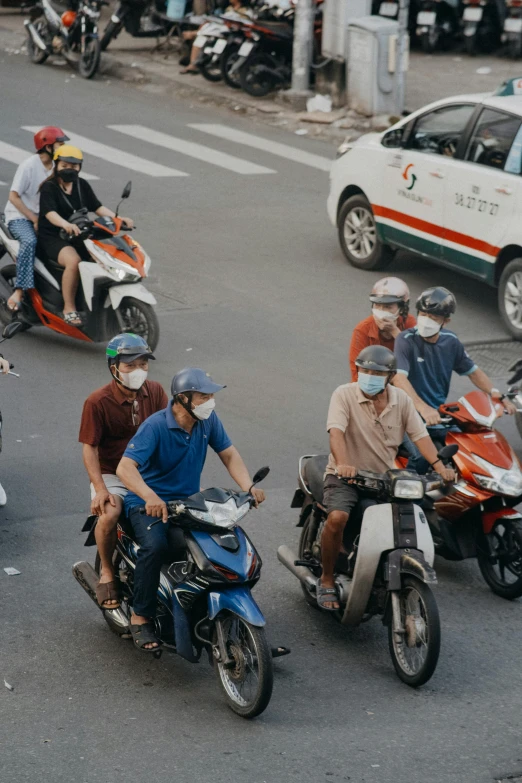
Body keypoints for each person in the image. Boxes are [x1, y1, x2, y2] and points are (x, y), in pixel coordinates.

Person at [117, 367, 265, 651]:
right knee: (156, 546)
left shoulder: (207, 421)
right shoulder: (156, 426)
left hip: (187, 505)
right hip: (147, 504)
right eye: (204, 395)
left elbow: (229, 454)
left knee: (222, 544)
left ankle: (217, 612)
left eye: (212, 395)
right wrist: (149, 496)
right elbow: (125, 467)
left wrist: (248, 487)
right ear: (183, 398)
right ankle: (140, 616)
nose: (211, 401)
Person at [318, 345, 455, 611]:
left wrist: (440, 466)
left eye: (375, 372)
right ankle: (326, 579)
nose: (368, 376)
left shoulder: (401, 400)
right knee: (338, 518)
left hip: (382, 480)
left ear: (390, 376)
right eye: (364, 370)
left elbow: (420, 436)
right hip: (345, 477)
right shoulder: (344, 394)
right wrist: (344, 464)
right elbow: (336, 432)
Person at [79, 333, 168, 609]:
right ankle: (106, 572)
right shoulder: (97, 402)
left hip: (146, 472)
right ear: (114, 368)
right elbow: (89, 449)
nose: (138, 371)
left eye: (143, 364)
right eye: (130, 366)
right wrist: (101, 490)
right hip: (112, 474)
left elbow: (167, 431)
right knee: (110, 514)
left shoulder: (155, 392)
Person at [393, 286, 517, 473]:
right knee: (422, 457)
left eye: (433, 318)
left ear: (446, 321)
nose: (426, 321)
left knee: (469, 448)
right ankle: (409, 497)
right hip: (405, 416)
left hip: (437, 417)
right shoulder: (406, 340)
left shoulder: (451, 342)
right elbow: (399, 379)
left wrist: (496, 394)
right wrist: (422, 408)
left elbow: (474, 372)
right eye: (423, 314)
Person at [38, 145, 134, 326]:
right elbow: (50, 213)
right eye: (65, 165)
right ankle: (69, 307)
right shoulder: (49, 188)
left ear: (80, 167)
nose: (70, 170)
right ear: (57, 165)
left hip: (78, 234)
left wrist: (118, 219)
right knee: (74, 261)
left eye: (74, 167)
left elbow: (97, 208)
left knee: (104, 255)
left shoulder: (82, 185)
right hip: (53, 237)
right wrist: (65, 224)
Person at [3, 126, 69, 313]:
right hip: (19, 217)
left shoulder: (57, 167)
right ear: (48, 146)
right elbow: (13, 197)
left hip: (46, 218)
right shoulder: (29, 166)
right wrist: (33, 218)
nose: (63, 146)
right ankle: (19, 291)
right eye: (60, 143)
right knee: (30, 241)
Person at [349, 277, 416, 381]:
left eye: (388, 307)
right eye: (377, 305)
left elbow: (418, 360)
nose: (381, 311)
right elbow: (356, 372)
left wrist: (396, 333)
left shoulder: (409, 324)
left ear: (402, 308)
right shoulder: (362, 330)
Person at [180, 0, 252, 74]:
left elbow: (246, 25)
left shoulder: (246, 11)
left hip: (233, 33)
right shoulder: (229, 8)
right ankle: (192, 64)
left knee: (207, 32)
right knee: (201, 38)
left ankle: (193, 33)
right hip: (220, 30)